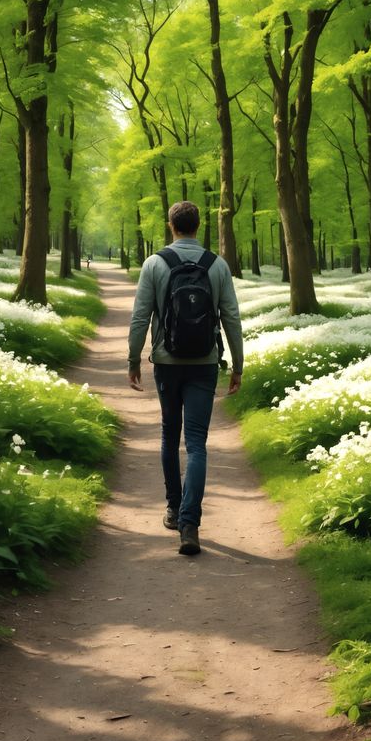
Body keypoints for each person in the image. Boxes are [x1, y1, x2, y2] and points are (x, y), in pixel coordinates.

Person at [127, 200, 243, 557]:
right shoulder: (217, 265)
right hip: (205, 362)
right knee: (196, 442)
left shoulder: (154, 263)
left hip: (166, 360)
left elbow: (140, 318)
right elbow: (231, 318)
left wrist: (133, 359)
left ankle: (174, 510)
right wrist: (238, 365)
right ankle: (191, 524)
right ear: (198, 225)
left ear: (171, 225)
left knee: (169, 433)